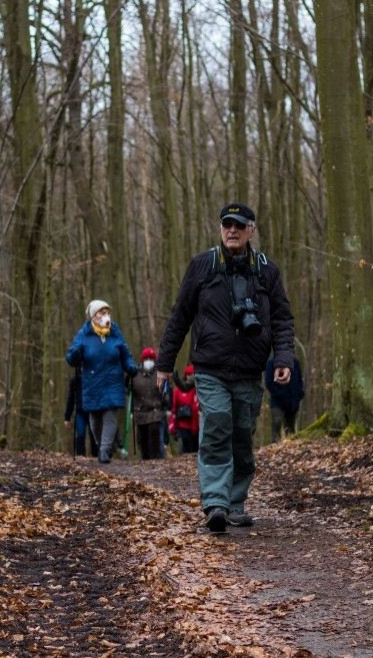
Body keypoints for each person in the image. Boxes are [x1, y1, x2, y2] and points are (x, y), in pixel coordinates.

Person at [156, 203, 295, 532]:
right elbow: (180, 316)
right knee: (217, 422)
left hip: (249, 370)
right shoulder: (203, 265)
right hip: (210, 367)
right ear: (220, 229)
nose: (231, 230)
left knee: (241, 438)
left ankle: (235, 503)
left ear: (251, 230)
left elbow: (281, 319)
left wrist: (284, 358)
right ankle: (215, 503)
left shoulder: (266, 271)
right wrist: (165, 364)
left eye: (238, 225)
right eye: (226, 224)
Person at [66, 299, 138, 464]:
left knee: (110, 415)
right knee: (95, 419)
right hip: (92, 383)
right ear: (93, 316)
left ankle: (105, 450)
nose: (106, 316)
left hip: (113, 381)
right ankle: (103, 446)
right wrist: (75, 355)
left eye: (107, 312)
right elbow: (70, 358)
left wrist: (130, 367)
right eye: (102, 312)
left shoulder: (115, 332)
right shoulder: (84, 334)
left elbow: (124, 352)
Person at [131, 347, 165, 460]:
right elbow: (129, 392)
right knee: (142, 437)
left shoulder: (158, 374)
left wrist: (167, 405)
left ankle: (154, 458)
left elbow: (165, 393)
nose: (149, 361)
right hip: (140, 411)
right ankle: (145, 458)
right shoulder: (135, 374)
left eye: (151, 358)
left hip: (155, 410)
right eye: (147, 358)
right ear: (142, 360)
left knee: (154, 433)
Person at [265, 356, 304, 443]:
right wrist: (278, 393)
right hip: (277, 400)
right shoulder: (271, 362)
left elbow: (299, 379)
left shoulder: (295, 362)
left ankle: (290, 445)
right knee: (277, 421)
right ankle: (274, 444)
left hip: (292, 400)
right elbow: (268, 382)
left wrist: (300, 394)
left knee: (290, 426)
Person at [64, 368, 98, 457]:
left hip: (93, 411)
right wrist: (67, 417)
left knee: (94, 436)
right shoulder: (75, 381)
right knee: (80, 434)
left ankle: (96, 457)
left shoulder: (95, 378)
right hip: (80, 412)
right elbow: (70, 399)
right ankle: (80, 457)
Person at [170, 364, 200, 454]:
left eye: (192, 375)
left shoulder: (199, 390)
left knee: (196, 450)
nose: (190, 377)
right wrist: (173, 426)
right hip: (183, 426)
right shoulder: (178, 391)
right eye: (188, 375)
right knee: (184, 450)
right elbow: (174, 408)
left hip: (197, 425)